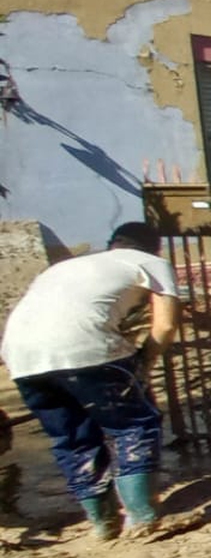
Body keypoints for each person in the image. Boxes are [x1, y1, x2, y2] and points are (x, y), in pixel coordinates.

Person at [1, 222, 180, 541]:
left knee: (72, 437)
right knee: (135, 424)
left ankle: (103, 523)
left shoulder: (64, 267)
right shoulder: (151, 263)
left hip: (20, 355)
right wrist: (143, 363)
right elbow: (165, 326)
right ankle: (142, 518)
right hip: (86, 347)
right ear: (156, 248)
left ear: (113, 244)